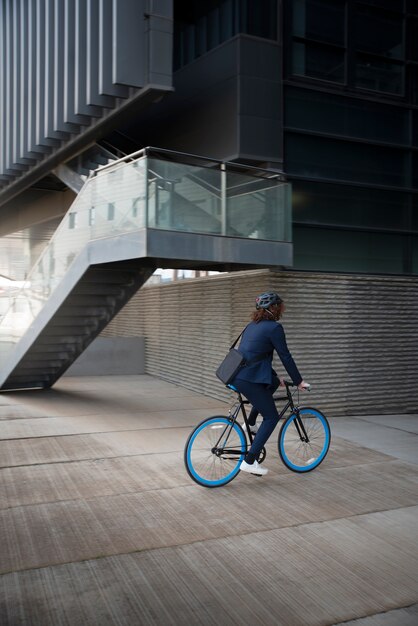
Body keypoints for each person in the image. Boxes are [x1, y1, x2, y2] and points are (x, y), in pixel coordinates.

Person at [230, 291, 310, 476]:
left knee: (272, 384)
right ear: (273, 308)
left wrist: (275, 378)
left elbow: (257, 356)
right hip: (249, 378)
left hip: (238, 375)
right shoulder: (274, 328)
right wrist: (298, 381)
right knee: (271, 418)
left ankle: (250, 424)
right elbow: (285, 356)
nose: (282, 309)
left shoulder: (251, 325)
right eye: (280, 306)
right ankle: (249, 461)